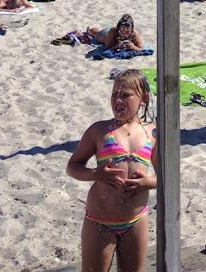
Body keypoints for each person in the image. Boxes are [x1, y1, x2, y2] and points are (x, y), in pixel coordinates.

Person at [67, 70, 158, 272]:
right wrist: (95, 174)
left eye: (125, 94)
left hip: (135, 220)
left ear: (143, 98)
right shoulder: (99, 130)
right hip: (100, 221)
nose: (118, 99)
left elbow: (166, 177)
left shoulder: (152, 133)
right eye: (114, 94)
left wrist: (148, 182)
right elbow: (72, 166)